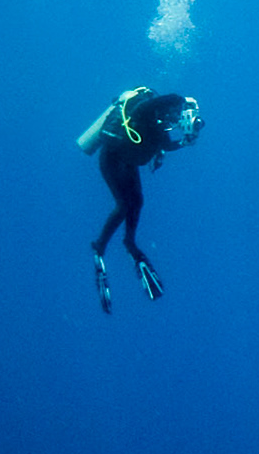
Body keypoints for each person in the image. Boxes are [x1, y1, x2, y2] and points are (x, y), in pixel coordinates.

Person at [77, 87, 203, 312]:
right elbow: (147, 107)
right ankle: (99, 248)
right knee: (124, 205)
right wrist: (177, 98)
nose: (177, 118)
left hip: (128, 163)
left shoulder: (159, 125)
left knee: (138, 202)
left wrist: (185, 141)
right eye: (177, 112)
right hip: (112, 159)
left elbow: (165, 145)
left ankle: (130, 242)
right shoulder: (147, 111)